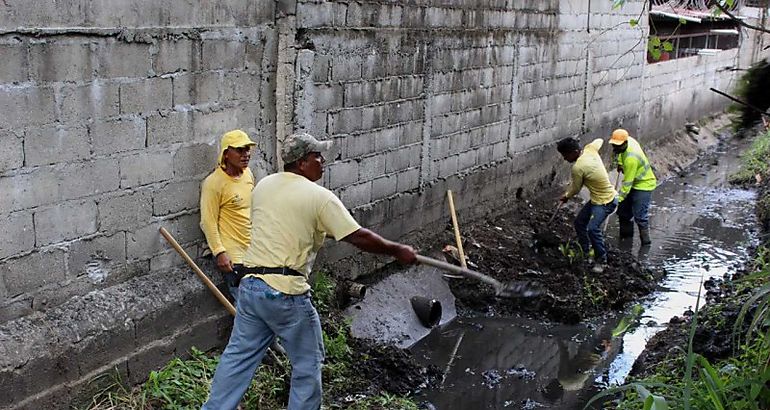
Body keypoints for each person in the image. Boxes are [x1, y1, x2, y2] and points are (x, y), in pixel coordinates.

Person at [202, 133, 417, 410]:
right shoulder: (320, 198)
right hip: (285, 294)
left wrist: (316, 230)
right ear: (302, 162)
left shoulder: (264, 185)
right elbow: (358, 236)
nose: (323, 161)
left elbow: (279, 223)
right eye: (318, 156)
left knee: (237, 358)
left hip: (252, 287)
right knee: (307, 363)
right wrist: (398, 250)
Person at [199, 129, 256, 302]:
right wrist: (219, 252)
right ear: (226, 154)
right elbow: (208, 221)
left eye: (247, 149)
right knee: (246, 310)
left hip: (252, 252)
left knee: (258, 308)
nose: (246, 154)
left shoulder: (247, 174)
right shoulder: (214, 183)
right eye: (240, 150)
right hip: (234, 259)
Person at [556, 137, 618, 274]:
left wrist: (566, 196)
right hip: (597, 199)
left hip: (606, 201)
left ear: (575, 152)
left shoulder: (578, 167)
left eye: (566, 155)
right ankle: (585, 251)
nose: (565, 159)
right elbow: (600, 140)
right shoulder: (590, 149)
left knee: (592, 228)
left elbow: (576, 188)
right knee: (579, 223)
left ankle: (601, 259)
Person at [608, 129, 657, 246]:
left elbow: (627, 184)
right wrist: (620, 163)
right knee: (623, 213)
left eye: (617, 146)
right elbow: (621, 154)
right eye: (614, 145)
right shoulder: (629, 140)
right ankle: (625, 241)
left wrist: (617, 199)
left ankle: (646, 244)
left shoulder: (631, 159)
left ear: (625, 143)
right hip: (633, 182)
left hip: (643, 184)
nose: (615, 149)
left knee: (640, 216)